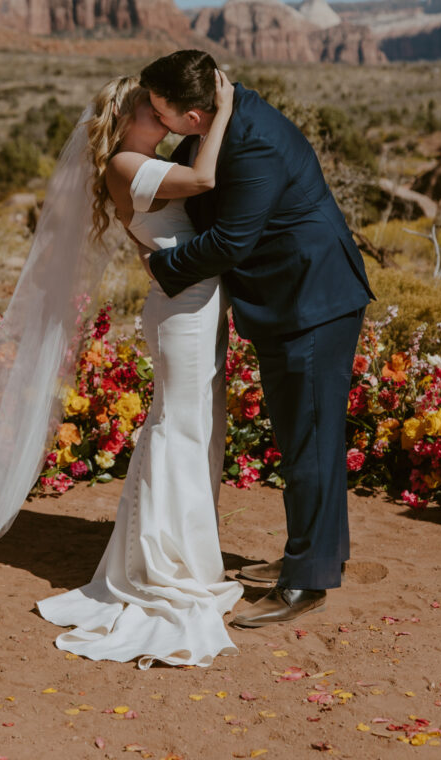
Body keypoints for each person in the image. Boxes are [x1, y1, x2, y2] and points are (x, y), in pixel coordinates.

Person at [138, 50, 375, 628]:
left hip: (310, 300)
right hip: (292, 296)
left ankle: (306, 583)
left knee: (309, 443)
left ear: (193, 114)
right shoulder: (223, 122)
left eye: (158, 108)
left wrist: (159, 267)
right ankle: (319, 553)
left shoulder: (254, 139)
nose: (151, 112)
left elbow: (230, 242)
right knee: (308, 437)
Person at [36, 71, 244, 667]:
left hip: (186, 302)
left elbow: (157, 242)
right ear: (126, 120)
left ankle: (179, 551)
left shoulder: (136, 165)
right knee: (177, 428)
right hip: (184, 310)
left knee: (191, 425)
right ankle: (161, 565)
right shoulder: (127, 164)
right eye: (152, 111)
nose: (163, 116)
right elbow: (205, 178)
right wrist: (223, 108)